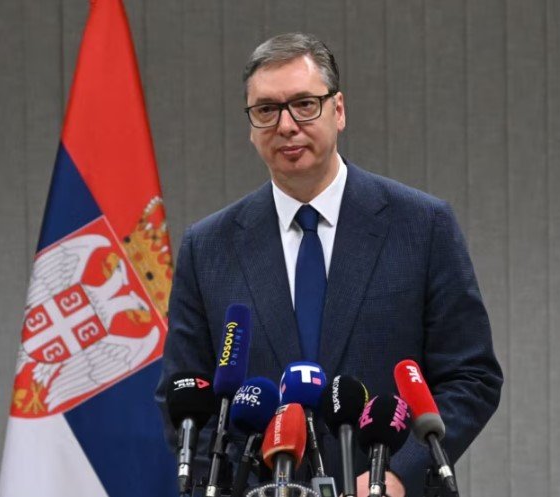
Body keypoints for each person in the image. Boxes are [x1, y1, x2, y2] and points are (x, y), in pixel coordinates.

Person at [155, 32, 503, 497]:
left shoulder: (421, 226)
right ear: (251, 125)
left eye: (304, 104)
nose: (286, 125)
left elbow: (471, 376)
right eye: (266, 110)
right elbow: (185, 399)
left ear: (338, 110)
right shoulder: (209, 246)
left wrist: (397, 474)